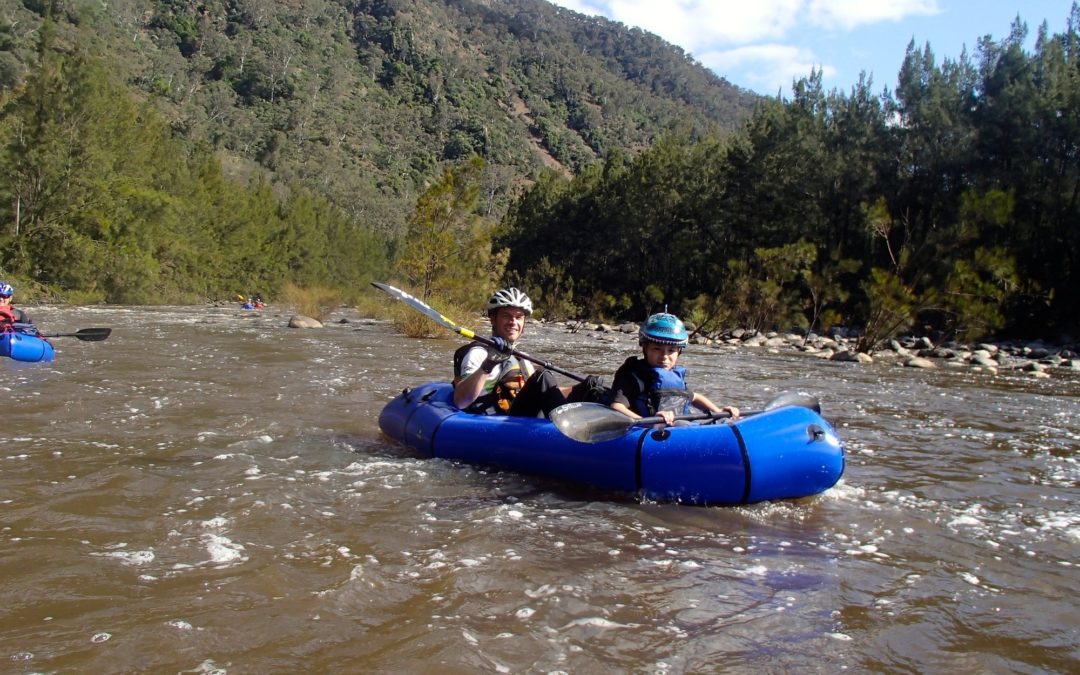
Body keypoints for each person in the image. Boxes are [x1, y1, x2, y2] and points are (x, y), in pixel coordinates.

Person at [453, 287, 604, 416]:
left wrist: (582, 389)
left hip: (518, 415)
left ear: (524, 323)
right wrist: (488, 364)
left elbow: (544, 393)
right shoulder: (478, 353)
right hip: (494, 423)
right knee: (541, 377)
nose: (513, 322)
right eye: (507, 316)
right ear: (493, 319)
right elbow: (461, 401)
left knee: (591, 386)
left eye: (519, 317)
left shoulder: (521, 358)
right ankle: (571, 432)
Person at [609, 312, 739, 426]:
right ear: (645, 348)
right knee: (682, 425)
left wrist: (719, 413)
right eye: (657, 349)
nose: (664, 357)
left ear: (679, 352)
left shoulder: (674, 376)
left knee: (716, 422)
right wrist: (649, 422)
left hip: (676, 427)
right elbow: (617, 406)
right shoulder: (633, 375)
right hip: (650, 428)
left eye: (671, 351)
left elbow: (695, 397)